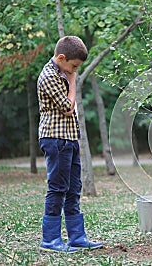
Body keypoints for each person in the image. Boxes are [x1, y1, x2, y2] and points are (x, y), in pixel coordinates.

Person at [37, 36, 103, 253]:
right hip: (55, 139)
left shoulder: (63, 72)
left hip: (69, 138)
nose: (75, 69)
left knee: (74, 189)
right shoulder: (48, 76)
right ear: (62, 58)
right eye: (74, 66)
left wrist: (70, 74)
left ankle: (77, 237)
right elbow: (67, 107)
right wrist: (73, 79)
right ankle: (50, 240)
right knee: (57, 188)